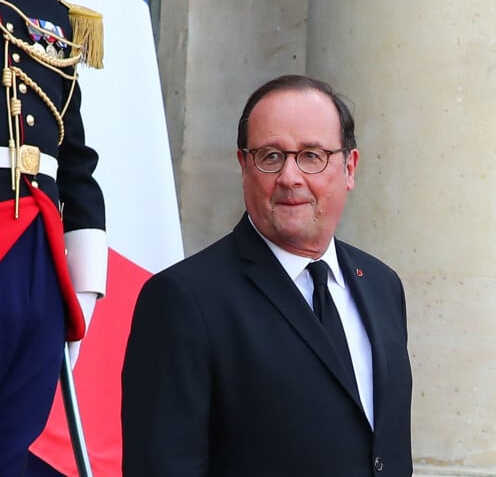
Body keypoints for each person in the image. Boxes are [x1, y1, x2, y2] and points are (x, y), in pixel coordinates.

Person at [122, 74, 413, 476]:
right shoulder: (183, 300)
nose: (290, 177)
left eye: (312, 155)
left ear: (350, 167)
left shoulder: (382, 287)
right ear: (244, 166)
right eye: (271, 156)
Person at [0, 0, 107, 474]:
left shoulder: (52, 13)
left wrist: (84, 283)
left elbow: (75, 157)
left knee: (18, 420)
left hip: (37, 248)